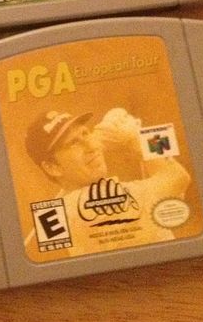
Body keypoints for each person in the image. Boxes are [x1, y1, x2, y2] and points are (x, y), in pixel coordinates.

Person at [24, 107, 191, 253]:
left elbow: (93, 145)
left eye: (85, 133)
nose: (90, 145)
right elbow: (178, 177)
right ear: (52, 167)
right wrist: (138, 136)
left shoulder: (59, 209)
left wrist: (101, 138)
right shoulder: (93, 203)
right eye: (73, 143)